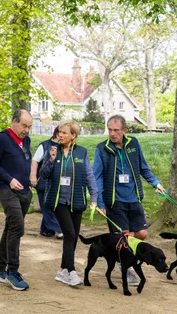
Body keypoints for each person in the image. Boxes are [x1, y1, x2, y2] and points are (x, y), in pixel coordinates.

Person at [93, 115, 165, 285]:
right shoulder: (101, 149)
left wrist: (156, 183)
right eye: (109, 130)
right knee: (123, 237)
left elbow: (143, 168)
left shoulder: (133, 144)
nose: (112, 134)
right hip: (114, 201)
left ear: (124, 130)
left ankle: (127, 255)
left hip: (133, 199)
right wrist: (100, 202)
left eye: (116, 130)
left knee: (141, 233)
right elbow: (97, 177)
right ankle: (123, 263)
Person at [38, 122, 98, 287]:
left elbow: (88, 175)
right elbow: (43, 175)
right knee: (70, 234)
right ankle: (71, 271)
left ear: (73, 135)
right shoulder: (52, 150)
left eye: (64, 133)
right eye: (59, 132)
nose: (60, 135)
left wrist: (94, 196)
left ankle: (62, 270)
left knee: (74, 236)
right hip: (58, 201)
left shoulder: (81, 152)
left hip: (76, 200)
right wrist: (50, 160)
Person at [0, 109, 34, 290]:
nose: (26, 130)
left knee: (11, 228)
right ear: (14, 122)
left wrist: (27, 182)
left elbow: (25, 162)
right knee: (17, 226)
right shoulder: (2, 139)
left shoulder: (26, 140)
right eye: (24, 125)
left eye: (29, 126)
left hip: (24, 191)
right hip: (6, 189)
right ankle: (12, 271)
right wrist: (9, 179)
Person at [31, 124, 64, 239]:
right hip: (43, 182)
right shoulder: (45, 145)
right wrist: (33, 177)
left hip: (57, 184)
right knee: (47, 208)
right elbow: (35, 161)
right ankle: (58, 229)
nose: (64, 135)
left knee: (50, 207)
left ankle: (45, 230)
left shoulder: (64, 147)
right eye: (62, 132)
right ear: (57, 133)